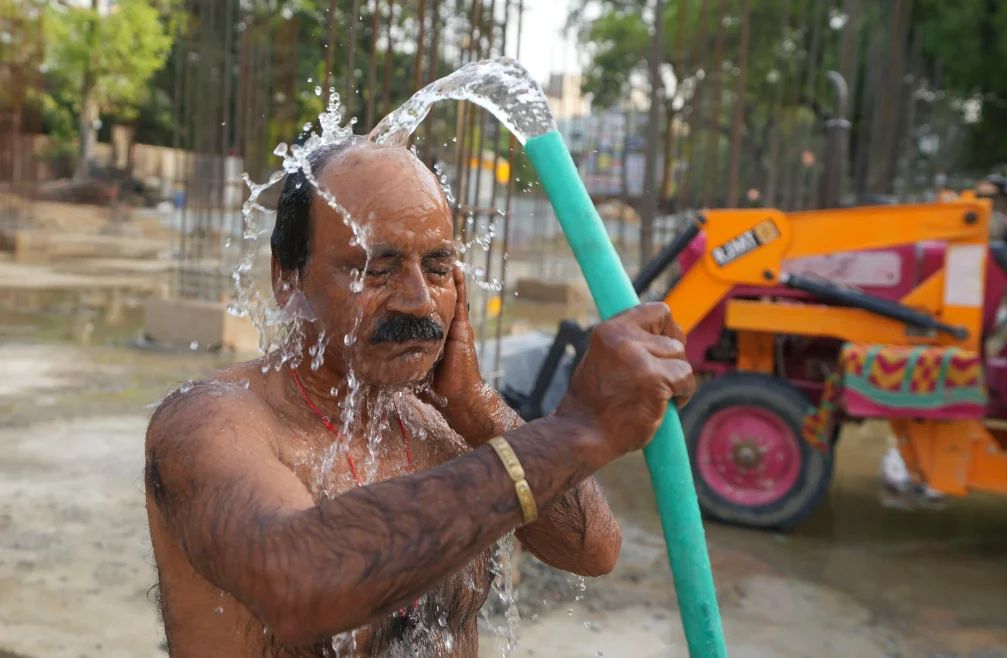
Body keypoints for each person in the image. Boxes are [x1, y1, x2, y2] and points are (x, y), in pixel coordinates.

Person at [144, 139, 696, 657]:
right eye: (375, 270)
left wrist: (478, 406)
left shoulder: (449, 426)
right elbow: (299, 583)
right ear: (288, 280)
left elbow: (593, 550)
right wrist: (577, 431)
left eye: (437, 269)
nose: (417, 301)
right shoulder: (213, 423)